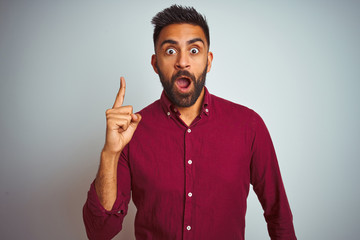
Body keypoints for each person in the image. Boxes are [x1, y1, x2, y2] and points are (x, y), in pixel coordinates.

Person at [83, 5, 297, 240]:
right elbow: (99, 232)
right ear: (155, 64)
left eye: (194, 50)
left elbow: (279, 217)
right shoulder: (131, 133)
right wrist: (110, 153)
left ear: (208, 61)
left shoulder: (250, 126)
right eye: (171, 51)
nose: (183, 62)